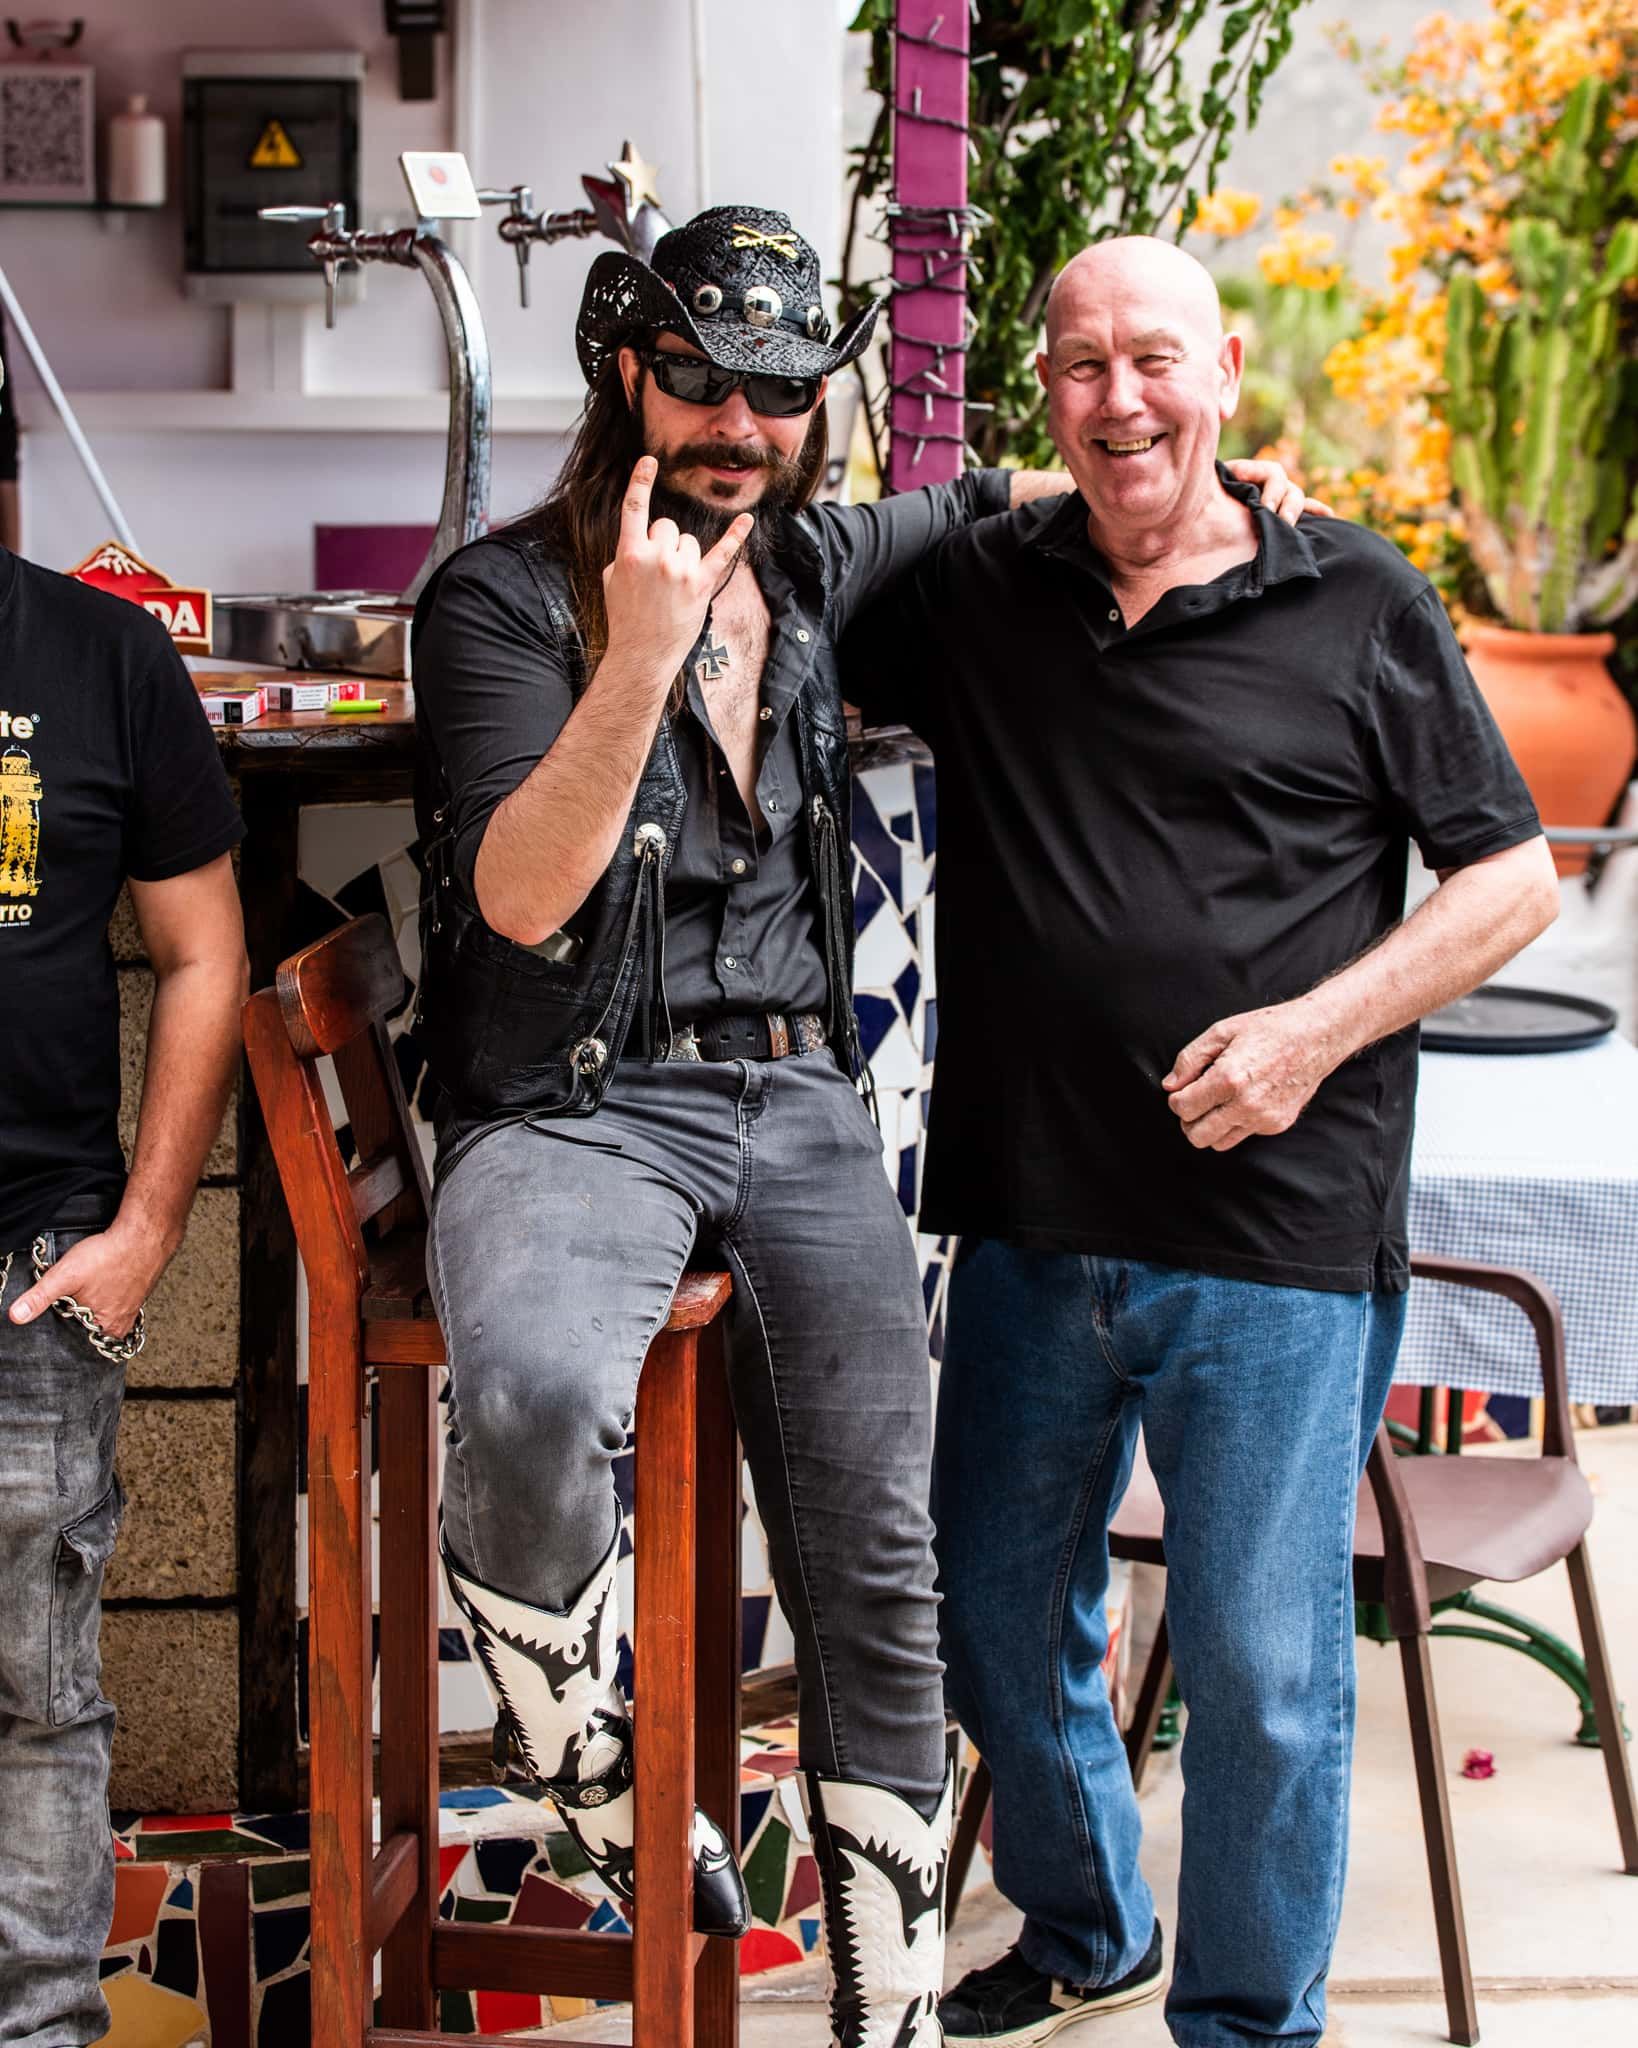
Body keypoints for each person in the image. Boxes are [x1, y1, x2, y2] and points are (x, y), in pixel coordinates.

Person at [410, 208, 1312, 2044]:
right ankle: (602, 1790)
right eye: (699, 381)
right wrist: (639, 660)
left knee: (878, 1562)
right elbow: (516, 900)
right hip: (571, 1105)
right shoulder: (497, 601)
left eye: (779, 390)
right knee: (518, 1405)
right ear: (623, 372)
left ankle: (879, 2009)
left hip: (797, 1092)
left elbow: (1031, 485)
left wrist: (1224, 495)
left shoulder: (823, 560)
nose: (737, 423)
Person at [841, 236, 1559, 2048]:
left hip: (1273, 1243)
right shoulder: (986, 593)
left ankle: (1246, 2026)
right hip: (1024, 1220)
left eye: (1151, 360)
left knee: (1258, 1675)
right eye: (1078, 368)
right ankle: (1086, 1927)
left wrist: (1319, 1029)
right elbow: (798, 582)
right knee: (996, 1622)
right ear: (1046, 399)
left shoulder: (1357, 600)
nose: (1120, 399)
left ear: (1225, 367)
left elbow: (1510, 876)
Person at [0, 341, 247, 2047]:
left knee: (33, 1697)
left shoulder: (99, 655)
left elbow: (205, 952)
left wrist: (146, 1229)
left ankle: (40, 2031)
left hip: (29, 1260)